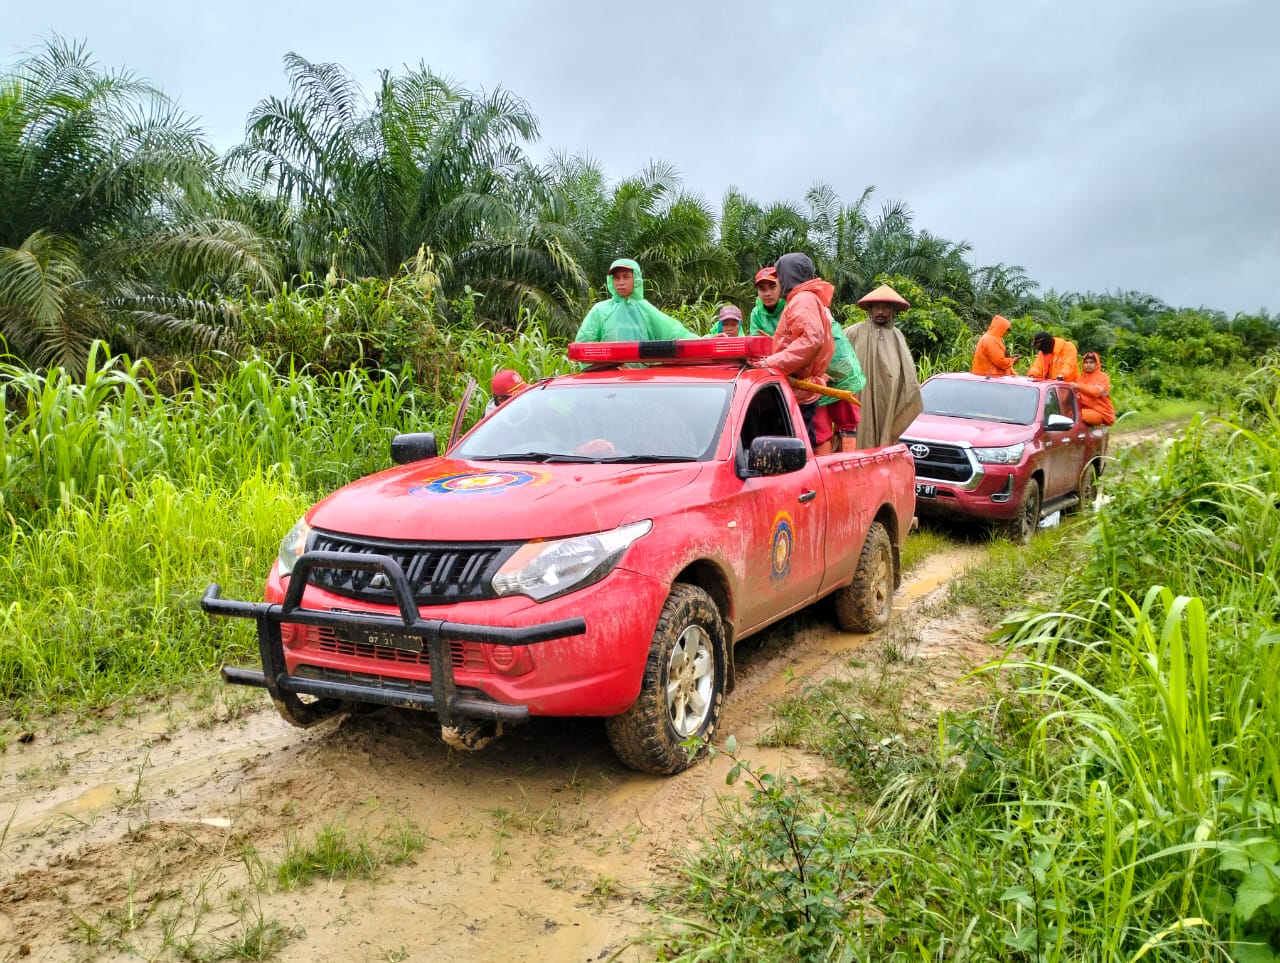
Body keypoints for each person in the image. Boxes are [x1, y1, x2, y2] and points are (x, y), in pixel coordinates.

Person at [753, 253, 835, 450]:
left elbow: (811, 340)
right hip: (800, 386)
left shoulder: (802, 299)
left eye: (780, 275)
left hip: (799, 386)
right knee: (799, 442)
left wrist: (772, 363)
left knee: (795, 448)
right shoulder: (806, 298)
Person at [847, 284, 922, 449]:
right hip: (861, 398)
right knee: (859, 436)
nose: (880, 311)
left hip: (889, 400)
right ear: (870, 309)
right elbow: (837, 359)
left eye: (885, 307)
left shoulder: (897, 336)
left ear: (893, 310)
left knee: (885, 438)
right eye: (876, 307)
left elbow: (909, 377)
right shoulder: (854, 332)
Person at [574, 258, 695, 342]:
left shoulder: (646, 310)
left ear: (636, 279)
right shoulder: (600, 310)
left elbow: (674, 333)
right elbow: (584, 341)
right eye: (616, 278)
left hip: (641, 372)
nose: (621, 282)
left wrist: (704, 341)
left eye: (626, 277)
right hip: (610, 372)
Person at [1076, 351, 1116, 426]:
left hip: (1101, 413)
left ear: (1096, 364)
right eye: (1086, 362)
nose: (1088, 364)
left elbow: (1096, 392)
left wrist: (1078, 386)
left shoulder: (1103, 377)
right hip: (1085, 410)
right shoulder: (1079, 379)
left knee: (1076, 415)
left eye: (1091, 362)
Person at [748, 266, 785, 336]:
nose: (767, 293)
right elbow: (756, 339)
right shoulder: (756, 313)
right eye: (762, 289)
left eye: (772, 287)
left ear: (781, 287)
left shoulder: (789, 307)